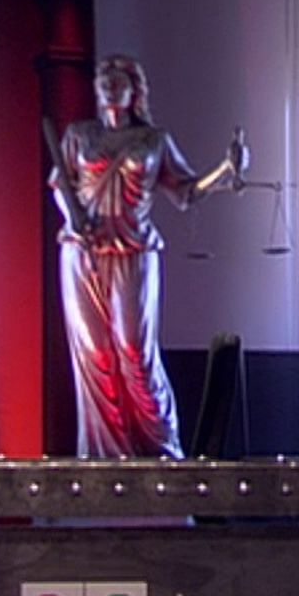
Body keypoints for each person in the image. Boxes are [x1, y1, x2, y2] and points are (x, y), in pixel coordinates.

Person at [49, 55, 247, 458]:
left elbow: (186, 192)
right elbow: (60, 185)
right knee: (94, 354)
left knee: (134, 351)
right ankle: (106, 456)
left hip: (134, 250)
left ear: (134, 90)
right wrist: (74, 219)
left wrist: (226, 168)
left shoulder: (154, 141)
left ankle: (161, 448)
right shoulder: (78, 136)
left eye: (119, 81)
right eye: (104, 80)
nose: (110, 87)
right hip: (82, 251)